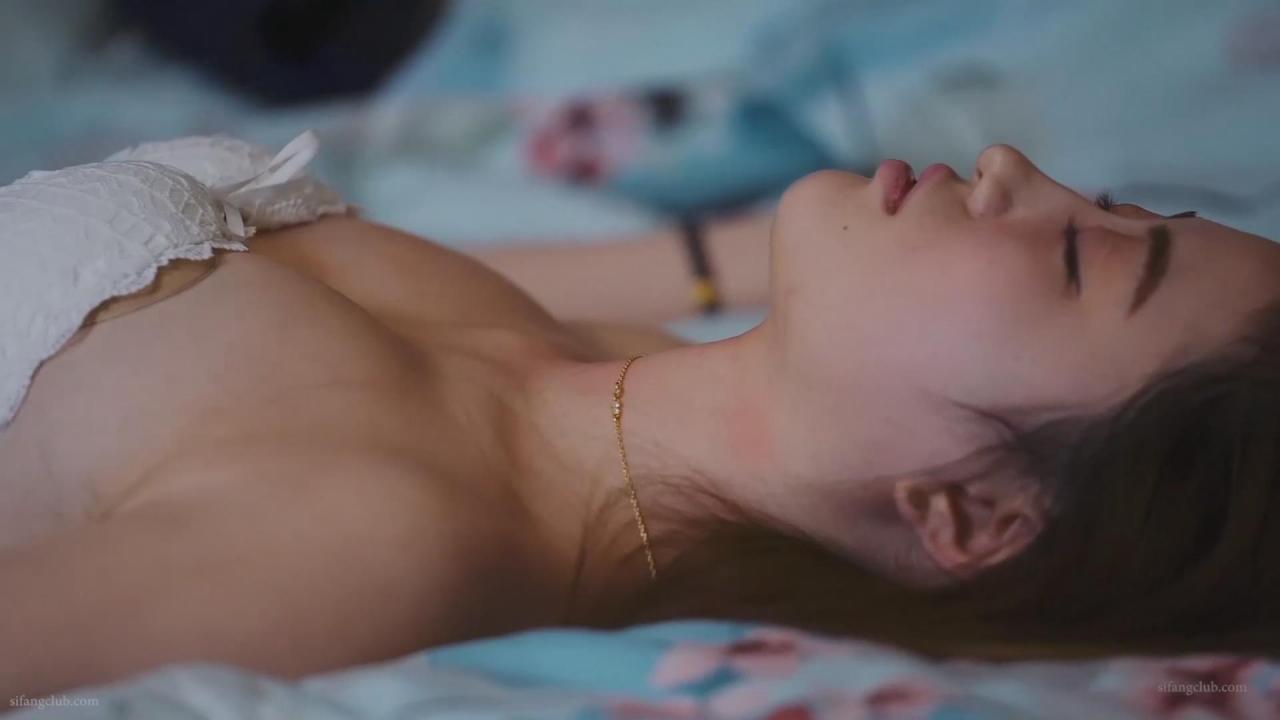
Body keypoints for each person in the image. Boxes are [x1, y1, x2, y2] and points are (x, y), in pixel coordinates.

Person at [1, 141, 1278, 699]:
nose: (1014, 170)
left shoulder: (384, 545)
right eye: (1111, 200)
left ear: (974, 516)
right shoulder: (614, 374)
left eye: (1082, 255)